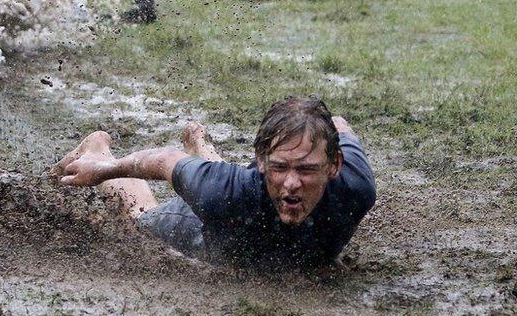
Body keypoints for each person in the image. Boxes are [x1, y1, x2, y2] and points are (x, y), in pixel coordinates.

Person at [52, 97, 376, 268]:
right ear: (261, 162)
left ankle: (200, 143)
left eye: (306, 169)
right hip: (205, 227)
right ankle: (98, 147)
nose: (292, 183)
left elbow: (338, 122)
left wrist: (314, 127)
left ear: (334, 164)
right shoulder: (224, 195)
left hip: (232, 192)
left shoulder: (356, 187)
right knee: (140, 218)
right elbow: (165, 160)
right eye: (280, 167)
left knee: (224, 186)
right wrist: (103, 169)